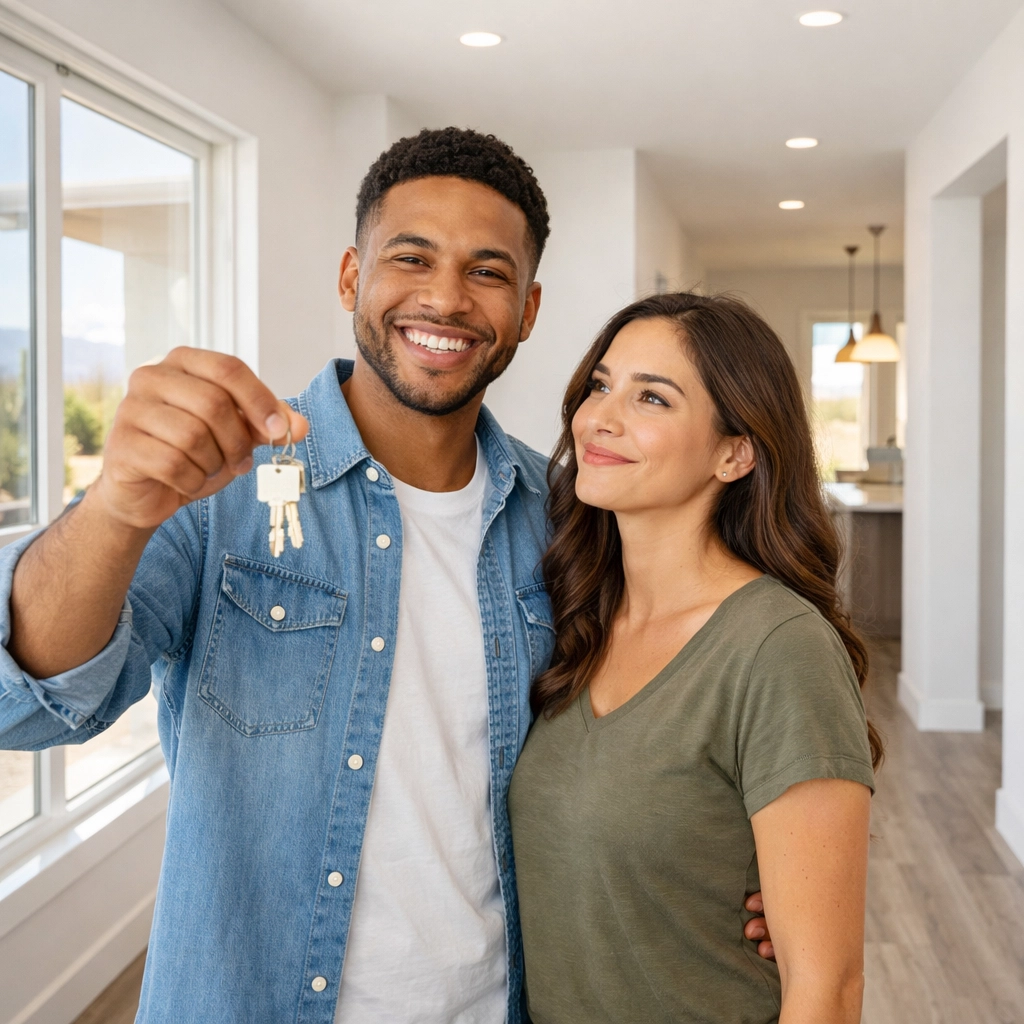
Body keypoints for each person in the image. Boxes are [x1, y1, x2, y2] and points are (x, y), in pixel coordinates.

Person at [0, 132, 773, 1022]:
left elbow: (658, 717)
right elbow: (25, 707)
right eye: (411, 257)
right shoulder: (220, 489)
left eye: (488, 271)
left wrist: (741, 867)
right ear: (349, 279)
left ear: (527, 310)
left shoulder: (568, 518)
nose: (445, 297)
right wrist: (114, 507)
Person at [509, 292, 881, 1024]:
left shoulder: (778, 647)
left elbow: (828, 989)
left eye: (653, 398)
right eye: (601, 385)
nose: (601, 419)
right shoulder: (571, 615)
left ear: (734, 452)